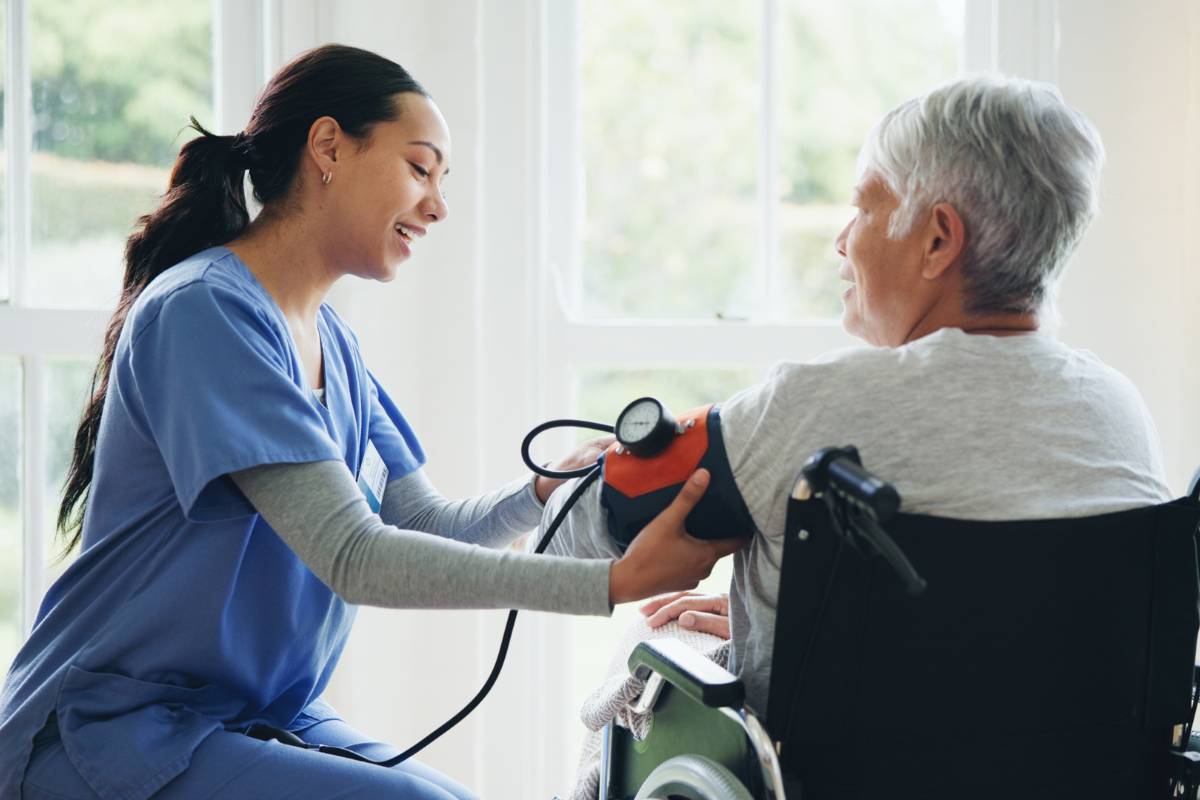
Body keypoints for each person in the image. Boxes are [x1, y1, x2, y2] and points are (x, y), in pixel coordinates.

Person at [0, 44, 743, 799]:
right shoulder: (206, 312)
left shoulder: (335, 346)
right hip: (113, 729)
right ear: (328, 147)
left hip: (249, 714)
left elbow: (420, 522)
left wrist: (539, 494)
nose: (438, 205)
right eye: (421, 169)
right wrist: (614, 583)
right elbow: (353, 555)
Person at [535, 74, 1172, 716]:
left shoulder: (814, 414)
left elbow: (571, 536)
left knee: (654, 639)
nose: (842, 241)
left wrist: (562, 481)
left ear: (938, 241)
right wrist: (795, 636)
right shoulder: (1121, 417)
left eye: (865, 208)